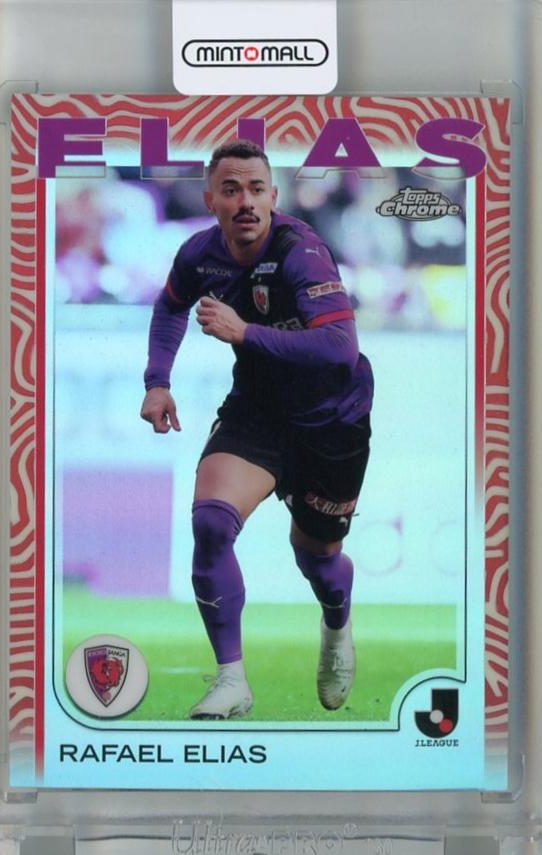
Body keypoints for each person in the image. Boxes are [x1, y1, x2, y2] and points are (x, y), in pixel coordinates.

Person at [141, 140, 374, 720]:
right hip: (258, 412)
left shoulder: (302, 252)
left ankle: (337, 625)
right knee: (210, 523)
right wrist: (157, 381)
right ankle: (231, 681)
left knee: (317, 560)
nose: (245, 201)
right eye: (231, 190)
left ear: (273, 196)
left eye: (255, 189)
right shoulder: (199, 255)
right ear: (210, 201)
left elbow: (340, 348)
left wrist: (245, 332)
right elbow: (170, 307)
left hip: (332, 419)